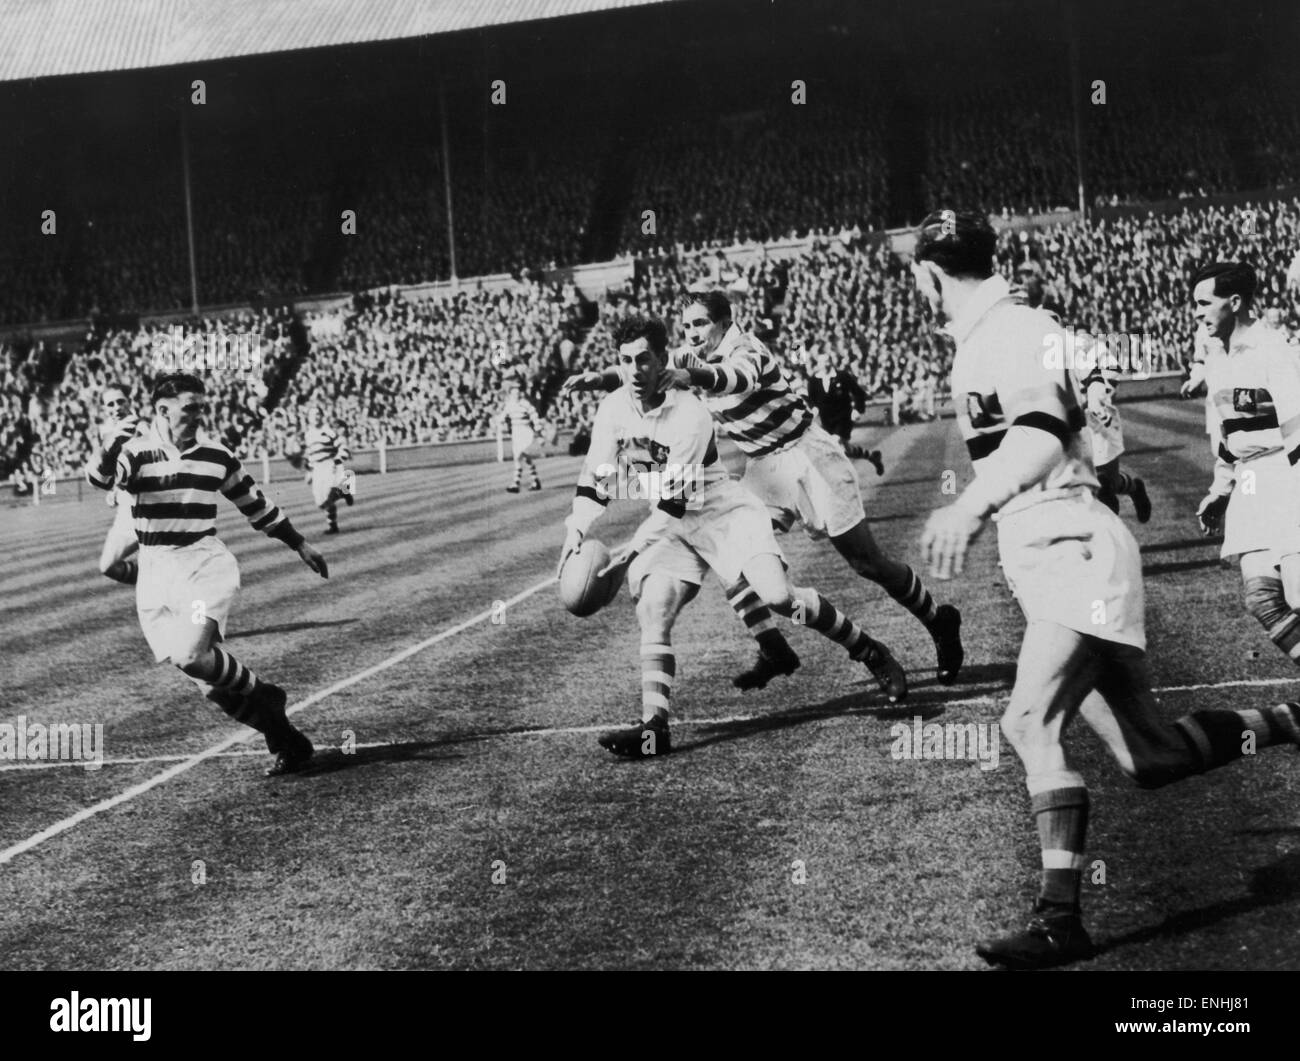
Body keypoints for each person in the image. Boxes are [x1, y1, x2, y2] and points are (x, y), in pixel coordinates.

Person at [911, 211, 1300, 969]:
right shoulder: (1003, 330)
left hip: (1072, 551)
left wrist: (968, 501)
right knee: (1149, 756)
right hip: (1059, 548)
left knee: (1027, 723)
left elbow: (1044, 425)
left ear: (928, 274)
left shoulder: (1008, 330)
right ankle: (1290, 717)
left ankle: (1061, 919)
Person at [565, 292, 963, 696]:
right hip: (763, 468)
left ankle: (938, 619)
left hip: (808, 457)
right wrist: (601, 379)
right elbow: (648, 370)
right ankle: (772, 645)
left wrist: (695, 377)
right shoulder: (689, 355)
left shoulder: (746, 348)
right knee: (734, 557)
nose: (692, 334)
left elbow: (733, 378)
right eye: (686, 327)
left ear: (724, 321)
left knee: (867, 563)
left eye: (700, 324)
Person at [86, 373, 328, 777]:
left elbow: (255, 504)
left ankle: (264, 693)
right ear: (163, 409)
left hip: (202, 566)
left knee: (191, 655)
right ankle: (288, 740)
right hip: (156, 572)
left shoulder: (216, 454)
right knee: (210, 687)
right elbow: (100, 479)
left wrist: (300, 543)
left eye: (201, 405)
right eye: (190, 406)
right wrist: (112, 445)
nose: (199, 413)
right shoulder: (137, 452)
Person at [1193, 261, 1300, 670]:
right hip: (1250, 484)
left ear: (1234, 302)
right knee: (1262, 601)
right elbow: (1229, 439)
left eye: (1205, 303)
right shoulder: (1218, 358)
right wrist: (1220, 491)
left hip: (1286, 476)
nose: (1197, 312)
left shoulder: (1273, 351)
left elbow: (1297, 431)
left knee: (1298, 596)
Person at [1016, 262, 1151, 522]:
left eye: (1050, 319)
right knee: (1084, 487)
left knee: (1105, 485)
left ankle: (1133, 489)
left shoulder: (1080, 342)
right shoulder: (1032, 349)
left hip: (1097, 420)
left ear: (1059, 320)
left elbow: (1109, 369)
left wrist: (1101, 391)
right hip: (1067, 424)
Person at [93, 383, 148, 584]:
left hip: (149, 508)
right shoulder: (105, 432)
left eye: (120, 401)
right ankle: (150, 580)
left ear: (129, 402)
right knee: (107, 566)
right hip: (126, 510)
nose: (116, 407)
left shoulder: (142, 429)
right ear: (104, 409)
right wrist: (114, 489)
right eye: (110, 404)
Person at [805, 349, 885, 476]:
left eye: (827, 361)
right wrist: (812, 414)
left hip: (844, 418)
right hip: (827, 420)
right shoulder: (813, 381)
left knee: (833, 444)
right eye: (822, 362)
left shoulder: (842, 376)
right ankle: (872, 457)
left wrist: (857, 410)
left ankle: (842, 477)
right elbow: (813, 402)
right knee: (846, 450)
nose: (825, 364)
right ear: (817, 364)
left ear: (831, 362)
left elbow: (859, 393)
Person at [304, 409, 355, 535]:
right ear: (308, 418)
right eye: (313, 414)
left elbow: (343, 448)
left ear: (322, 416)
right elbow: (311, 455)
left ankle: (333, 526)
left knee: (327, 499)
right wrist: (310, 472)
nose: (315, 417)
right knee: (320, 504)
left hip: (329, 466)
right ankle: (343, 492)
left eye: (318, 414)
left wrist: (336, 462)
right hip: (317, 469)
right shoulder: (308, 434)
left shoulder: (328, 431)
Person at [499, 379, 544, 493]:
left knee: (519, 456)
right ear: (511, 394)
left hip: (525, 432)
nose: (516, 394)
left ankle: (515, 483)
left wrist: (539, 433)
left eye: (518, 392)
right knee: (524, 458)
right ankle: (535, 480)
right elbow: (502, 417)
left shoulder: (526, 404)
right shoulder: (510, 405)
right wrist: (501, 422)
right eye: (514, 392)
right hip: (516, 432)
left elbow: (535, 417)